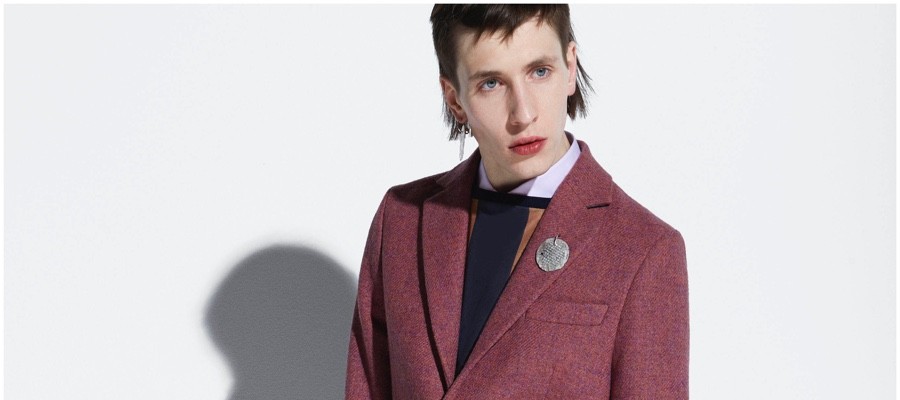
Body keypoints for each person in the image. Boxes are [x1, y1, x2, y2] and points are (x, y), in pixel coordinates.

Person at [345, 5, 688, 399]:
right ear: (454, 98)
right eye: (491, 83)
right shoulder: (402, 220)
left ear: (570, 68)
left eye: (539, 72)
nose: (523, 114)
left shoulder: (644, 248)